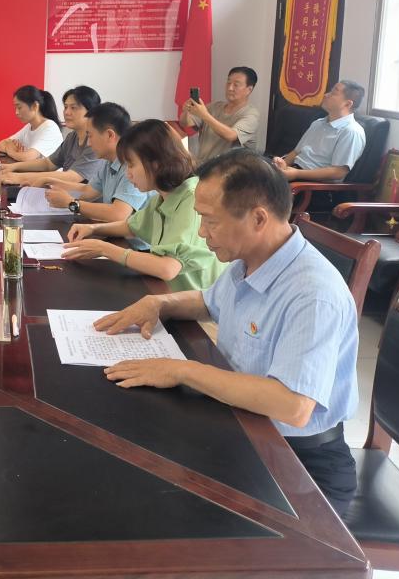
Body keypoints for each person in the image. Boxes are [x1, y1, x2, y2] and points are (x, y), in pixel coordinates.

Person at [93, 149, 358, 515]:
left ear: (258, 218)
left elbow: (293, 406)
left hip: (301, 464)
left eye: (210, 221)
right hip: (245, 429)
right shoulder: (250, 259)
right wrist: (160, 303)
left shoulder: (313, 294)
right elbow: (207, 301)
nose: (202, 232)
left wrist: (182, 370)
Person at [63, 119, 226, 292]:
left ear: (156, 163)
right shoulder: (163, 196)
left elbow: (167, 268)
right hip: (172, 294)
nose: (128, 174)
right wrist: (93, 229)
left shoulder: (192, 199)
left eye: (131, 165)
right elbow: (132, 226)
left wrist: (104, 249)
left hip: (199, 305)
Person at [43, 103, 151, 237]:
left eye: (90, 135)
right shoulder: (109, 162)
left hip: (134, 245)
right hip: (115, 237)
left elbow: (118, 214)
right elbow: (88, 191)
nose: (88, 143)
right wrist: (49, 182)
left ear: (110, 135)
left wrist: (70, 203)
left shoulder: (132, 167)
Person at [0, 86, 104, 188]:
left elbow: (72, 177)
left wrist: (18, 177)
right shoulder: (72, 137)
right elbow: (48, 163)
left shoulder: (96, 142)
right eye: (65, 107)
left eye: (73, 108)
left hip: (80, 198)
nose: (66, 112)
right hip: (64, 194)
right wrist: (12, 167)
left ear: (91, 111)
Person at [273, 80, 366, 183]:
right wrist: (283, 164)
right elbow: (296, 152)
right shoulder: (318, 123)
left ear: (347, 104)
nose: (326, 95)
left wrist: (296, 174)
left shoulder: (351, 132)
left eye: (333, 93)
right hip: (295, 171)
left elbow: (338, 172)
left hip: (313, 184)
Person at [180, 66, 260, 163]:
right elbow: (185, 123)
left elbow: (231, 135)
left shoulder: (251, 114)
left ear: (249, 90)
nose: (230, 88)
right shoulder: (214, 106)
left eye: (236, 85)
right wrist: (187, 111)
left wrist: (205, 115)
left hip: (230, 169)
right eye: (228, 83)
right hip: (204, 166)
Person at [0, 85, 64, 161]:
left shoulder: (50, 127)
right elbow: (0, 144)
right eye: (15, 108)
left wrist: (12, 152)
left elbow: (27, 157)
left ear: (35, 106)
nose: (16, 112)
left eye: (19, 107)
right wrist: (14, 150)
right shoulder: (29, 126)